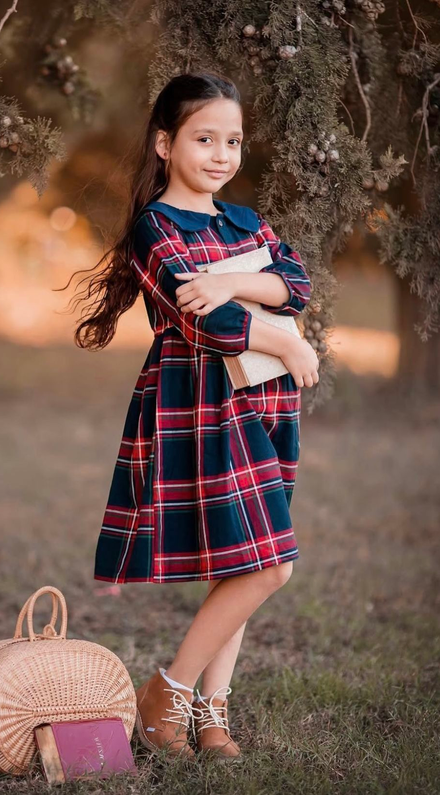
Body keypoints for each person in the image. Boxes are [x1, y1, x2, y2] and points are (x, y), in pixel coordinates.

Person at [66, 72, 319, 762]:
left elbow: (294, 283)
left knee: (243, 561)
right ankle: (167, 693)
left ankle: (212, 714)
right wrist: (287, 339)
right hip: (201, 405)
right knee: (271, 566)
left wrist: (234, 279)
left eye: (232, 140)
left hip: (264, 401)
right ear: (164, 143)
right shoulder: (156, 228)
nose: (220, 153)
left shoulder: (244, 221)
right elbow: (201, 321)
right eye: (204, 138)